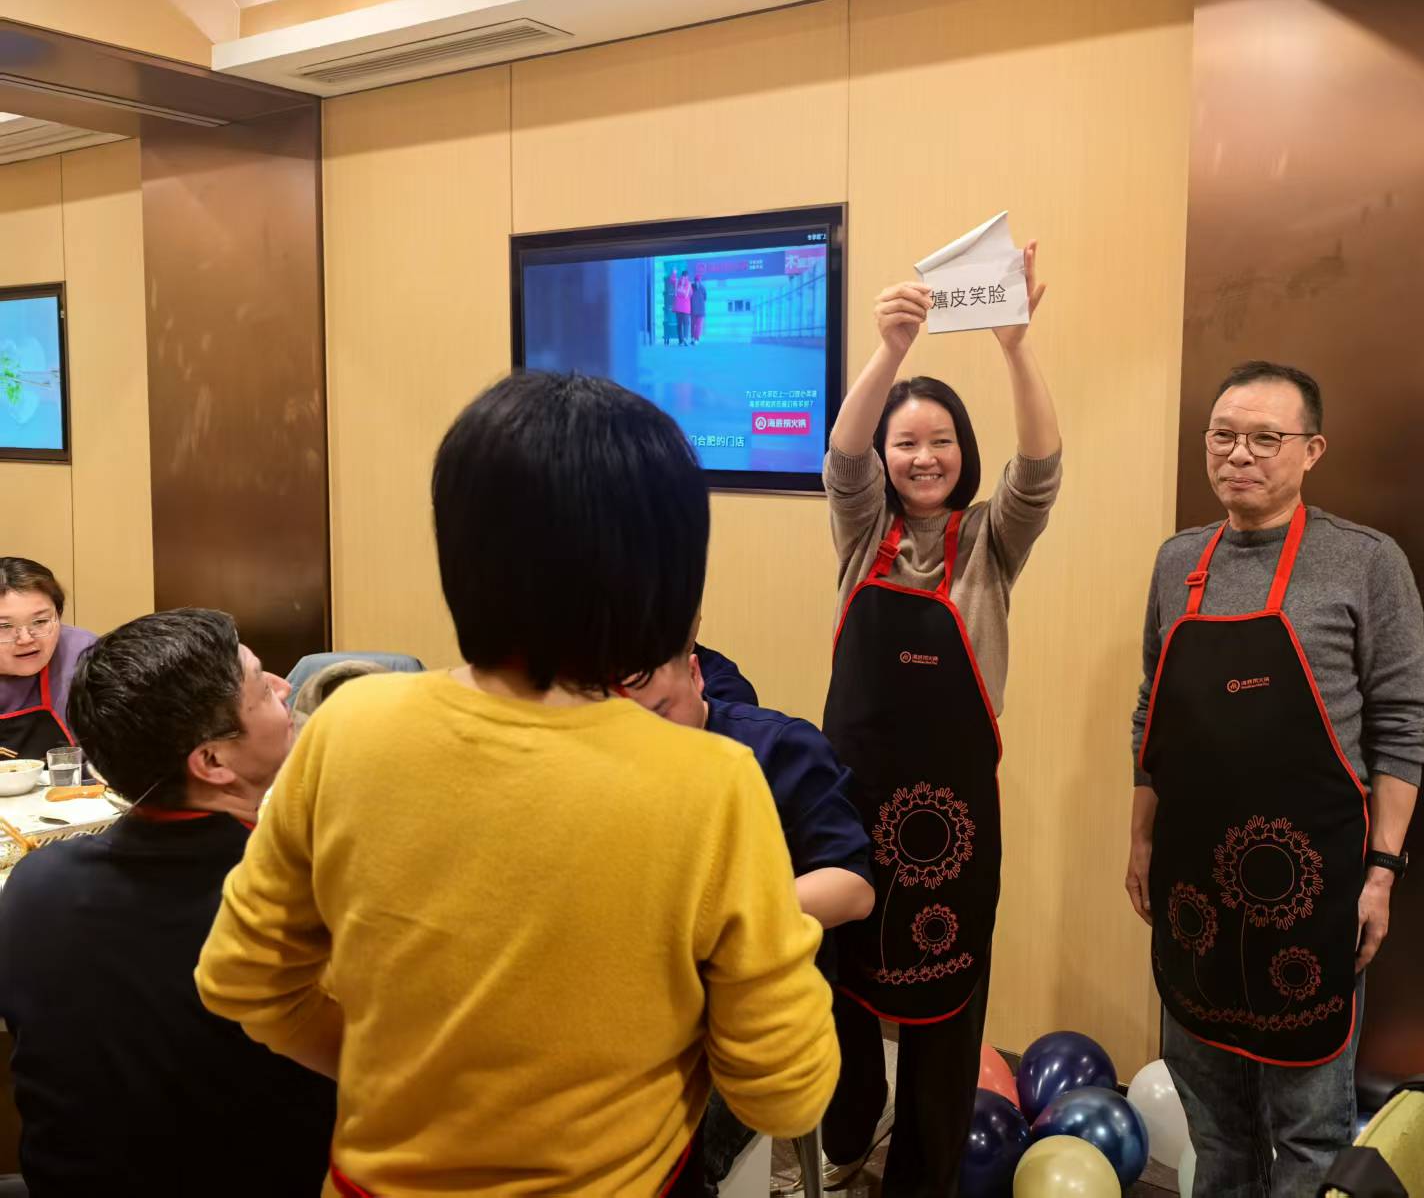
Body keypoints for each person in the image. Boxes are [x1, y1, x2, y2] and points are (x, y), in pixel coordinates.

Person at [196, 372, 838, 1196]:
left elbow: (242, 978)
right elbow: (785, 1091)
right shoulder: (711, 783)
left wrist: (419, 1080)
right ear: (666, 579)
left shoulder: (345, 727)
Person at [1126, 361, 1424, 1197]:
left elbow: (1403, 724)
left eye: (1266, 438)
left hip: (1312, 890)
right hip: (1193, 888)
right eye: (1224, 435)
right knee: (1214, 1122)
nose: (1240, 454)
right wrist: (1141, 837)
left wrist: (1382, 871)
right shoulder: (1178, 561)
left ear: (1312, 450)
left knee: (1309, 1130)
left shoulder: (1366, 562)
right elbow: (1153, 710)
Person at [818, 243, 1061, 1195]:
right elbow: (841, 458)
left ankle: (920, 1179)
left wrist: (1015, 347)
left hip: (955, 823)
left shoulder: (991, 541)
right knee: (842, 979)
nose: (924, 457)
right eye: (907, 442)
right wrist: (890, 349)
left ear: (964, 453)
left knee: (948, 1008)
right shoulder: (863, 532)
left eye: (942, 441)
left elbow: (1040, 466)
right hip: (851, 809)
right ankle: (846, 1134)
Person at [0, 608, 335, 1196]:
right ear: (212, 762)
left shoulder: (35, 882)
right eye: (262, 688)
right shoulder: (293, 899)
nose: (285, 688)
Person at [625, 629, 874, 1193]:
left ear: (695, 676)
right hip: (655, 988)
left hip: (761, 987)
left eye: (662, 711)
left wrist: (726, 911)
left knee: (672, 1151)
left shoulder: (778, 749)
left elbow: (854, 889)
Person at [0, 557, 96, 764]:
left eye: (40, 621)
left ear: (58, 615)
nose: (26, 639)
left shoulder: (84, 655)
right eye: (4, 626)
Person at [672, 267, 694, 346]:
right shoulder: (689, 284)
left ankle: (680, 340)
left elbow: (672, 279)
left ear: (681, 275)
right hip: (686, 308)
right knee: (686, 324)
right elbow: (691, 294)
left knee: (679, 324)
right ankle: (685, 339)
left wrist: (674, 272)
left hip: (678, 307)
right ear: (687, 276)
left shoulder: (677, 282)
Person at [690, 275, 709, 345]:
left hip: (698, 310)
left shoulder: (700, 288)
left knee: (697, 325)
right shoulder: (694, 287)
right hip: (695, 310)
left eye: (698, 281)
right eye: (696, 281)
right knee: (695, 325)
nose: (697, 282)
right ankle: (694, 338)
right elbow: (705, 298)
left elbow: (705, 298)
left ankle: (695, 338)